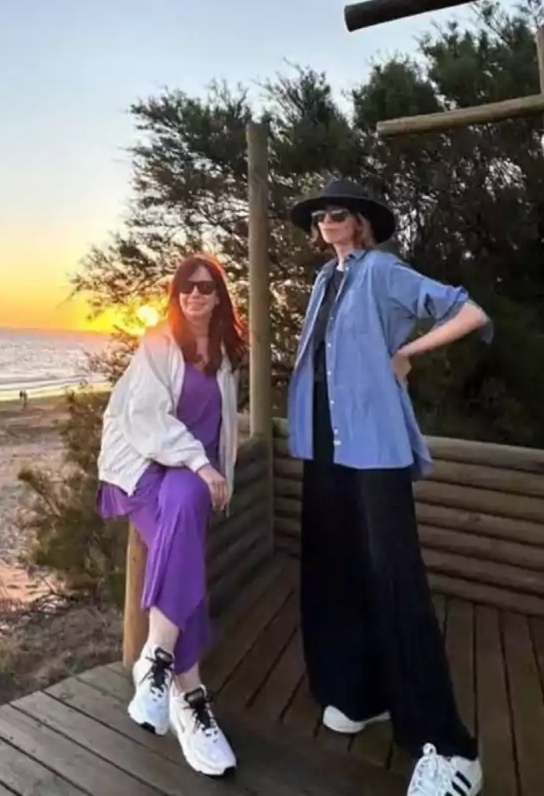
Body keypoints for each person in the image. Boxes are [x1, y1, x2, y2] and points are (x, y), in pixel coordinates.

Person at [287, 181, 492, 796]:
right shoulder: (326, 282)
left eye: (338, 214)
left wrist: (406, 353)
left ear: (362, 224)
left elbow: (467, 310)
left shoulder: (381, 271)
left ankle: (449, 750)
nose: (327, 222)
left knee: (394, 581)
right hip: (324, 446)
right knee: (334, 569)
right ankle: (361, 691)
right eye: (320, 215)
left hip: (373, 448)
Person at [96, 254, 246, 778]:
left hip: (192, 477)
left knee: (184, 511)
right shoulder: (159, 343)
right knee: (184, 555)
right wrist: (203, 465)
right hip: (144, 465)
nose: (196, 295)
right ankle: (191, 698)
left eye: (206, 287)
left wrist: (213, 470)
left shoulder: (227, 354)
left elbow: (223, 423)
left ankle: (156, 660)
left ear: (220, 295)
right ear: (176, 295)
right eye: (187, 287)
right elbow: (146, 417)